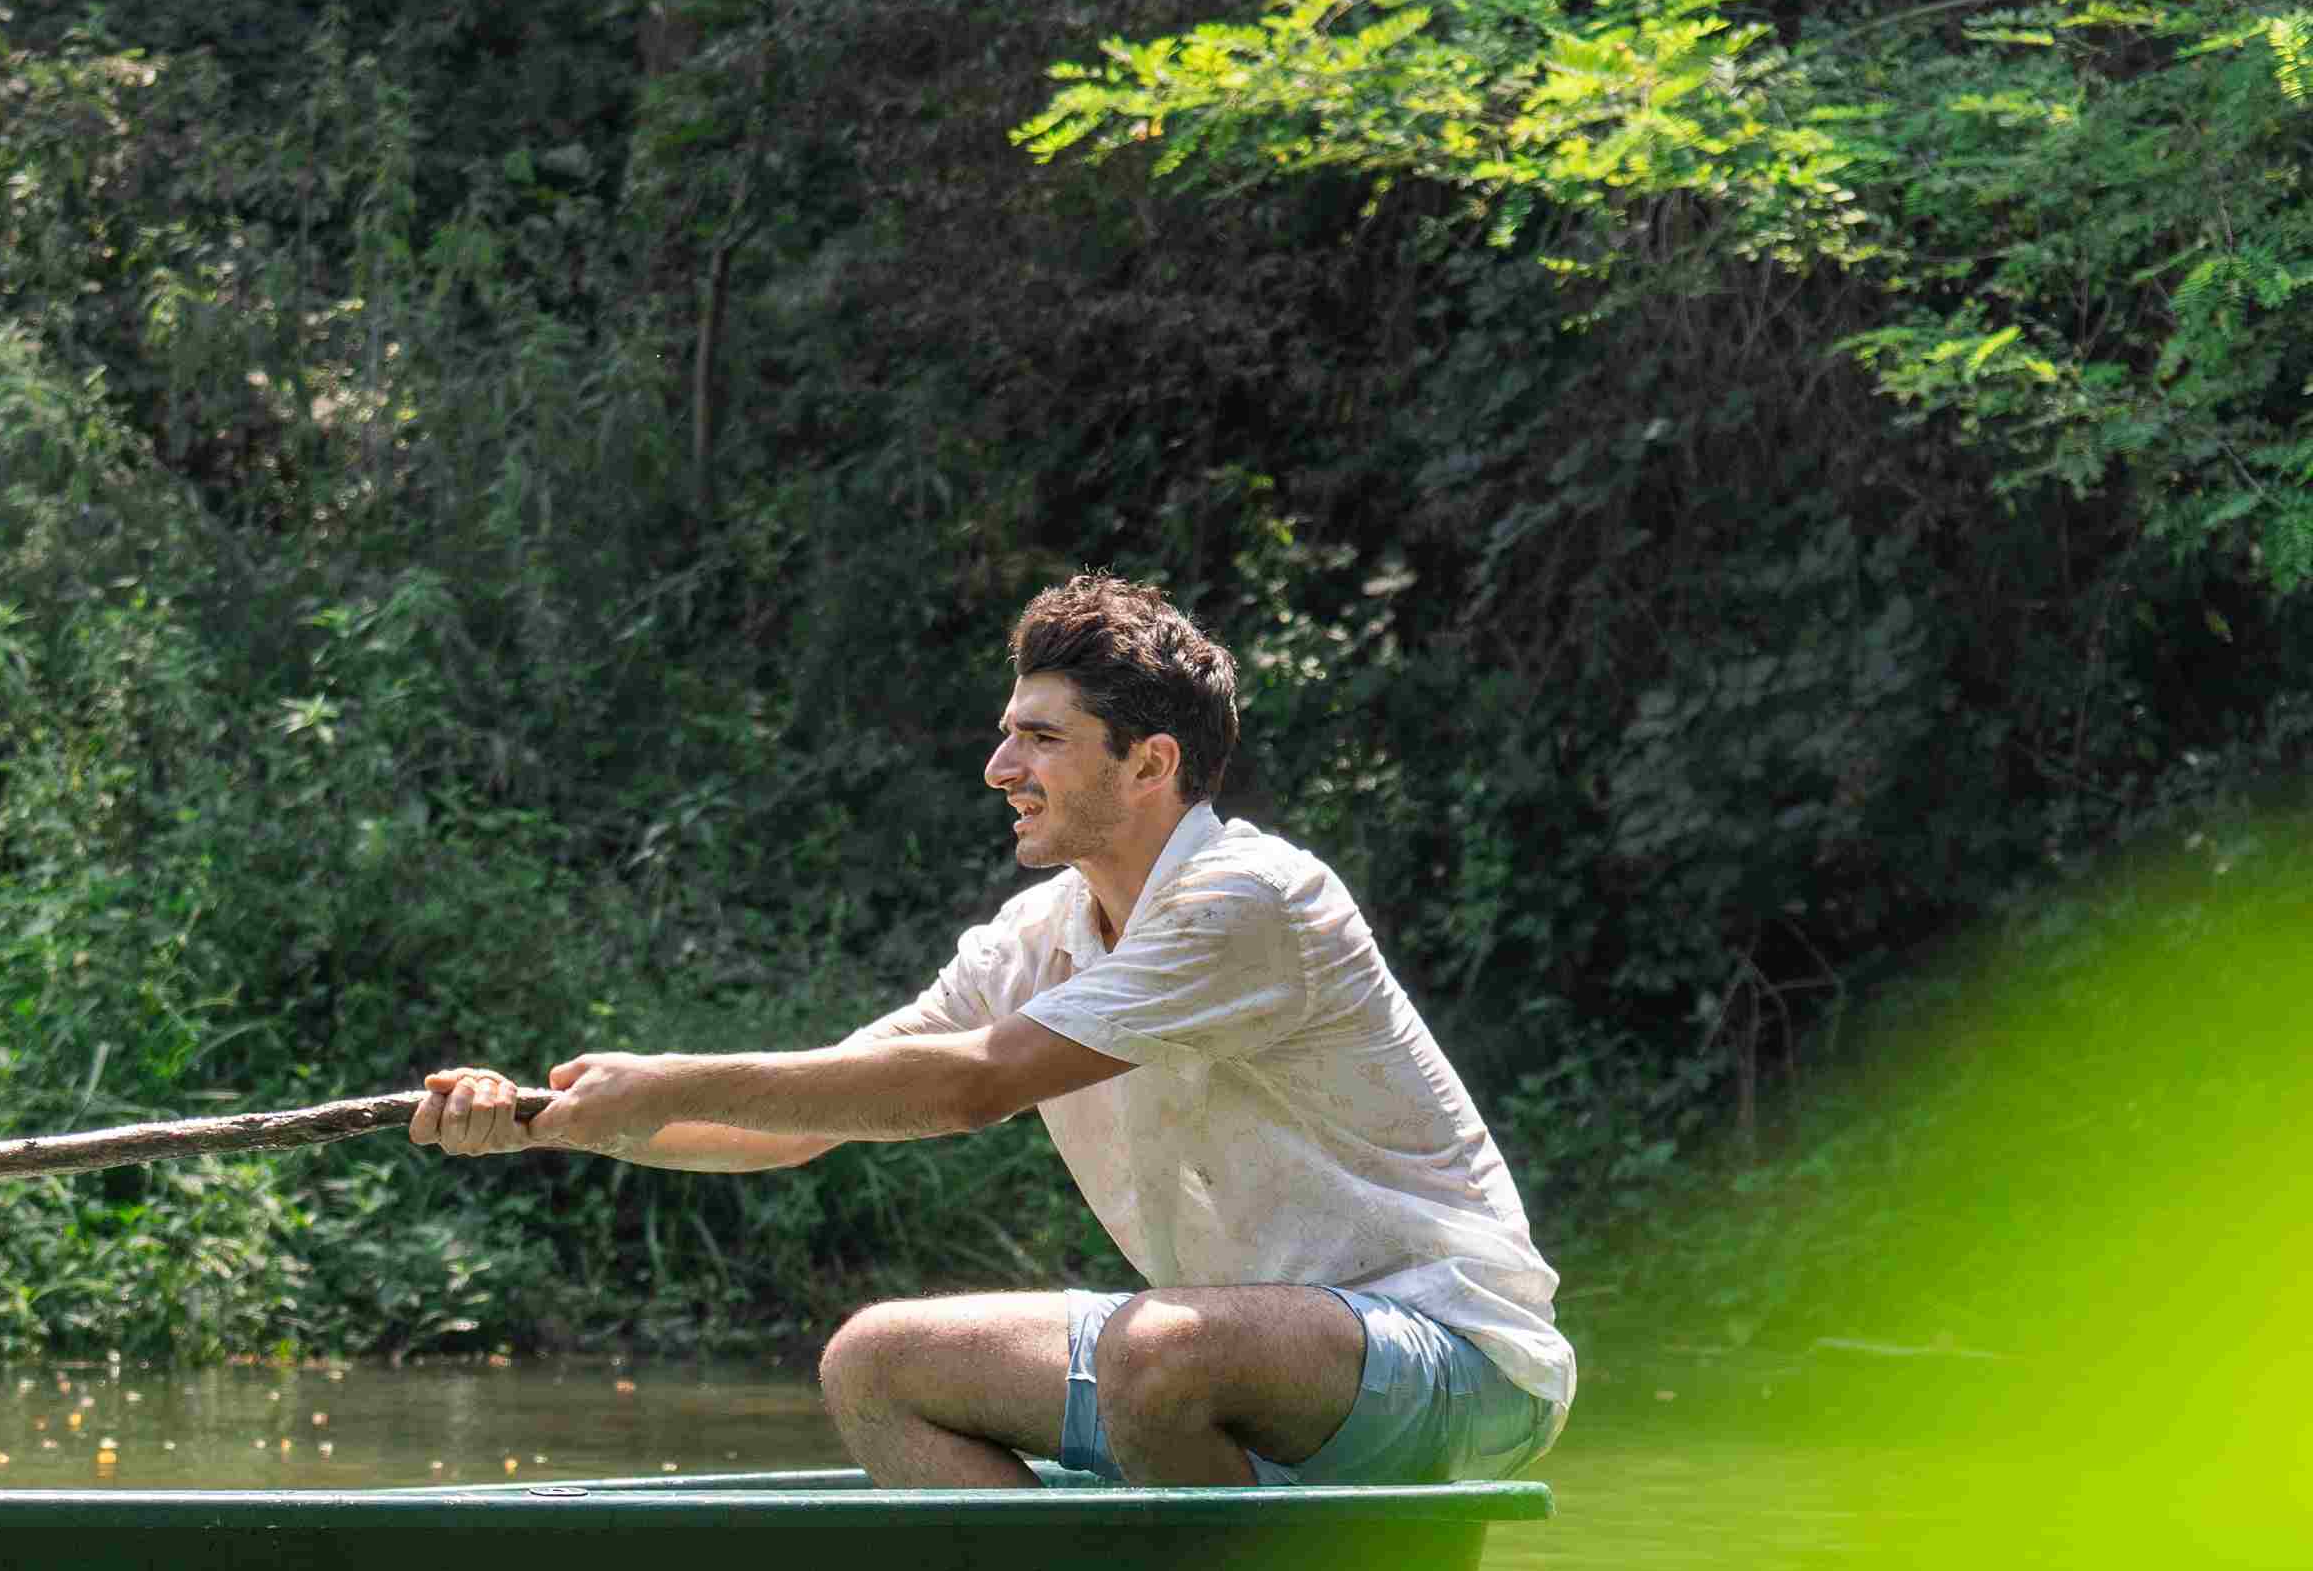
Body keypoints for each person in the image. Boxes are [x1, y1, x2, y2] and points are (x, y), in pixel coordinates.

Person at [409, 573, 1569, 1488]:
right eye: (1006, 732)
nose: (997, 767)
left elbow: (974, 1084)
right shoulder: (1036, 932)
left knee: (1154, 1353)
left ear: (1151, 761)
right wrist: (545, 1124)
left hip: (1454, 1355)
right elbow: (797, 1120)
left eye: (1040, 739)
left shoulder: (1247, 898)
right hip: (1218, 1363)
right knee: (873, 1364)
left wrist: (662, 1078)